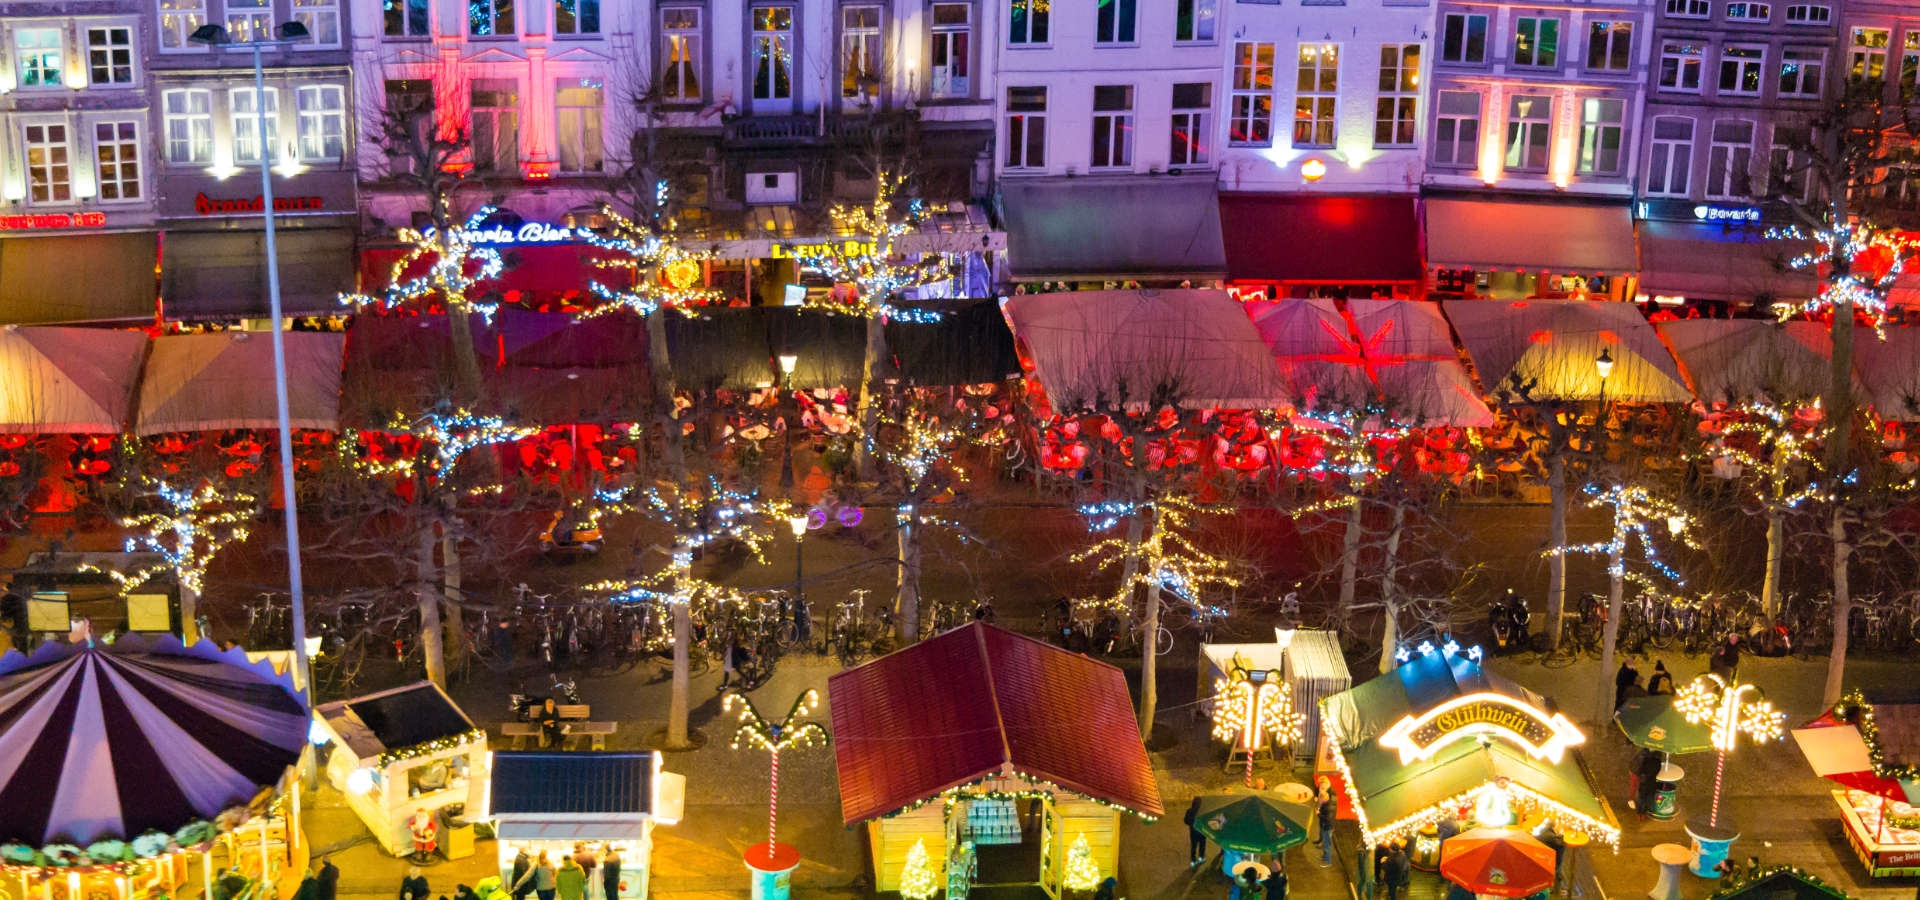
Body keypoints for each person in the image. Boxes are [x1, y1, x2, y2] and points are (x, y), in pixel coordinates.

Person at [1315, 783, 1337, 867]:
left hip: (1328, 827)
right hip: (1326, 826)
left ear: (1324, 799)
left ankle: (1328, 861)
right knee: (1325, 843)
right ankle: (1324, 857)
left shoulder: (1328, 807)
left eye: (1320, 799)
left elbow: (1327, 818)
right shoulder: (1327, 804)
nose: (1319, 801)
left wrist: (1318, 814)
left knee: (1327, 844)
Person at [1184, 797, 1207, 867]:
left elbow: (1186, 821)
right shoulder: (1203, 811)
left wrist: (1191, 823)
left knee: (1193, 846)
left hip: (1193, 832)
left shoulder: (1189, 811)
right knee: (1202, 845)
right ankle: (1201, 857)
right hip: (1202, 832)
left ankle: (1193, 860)